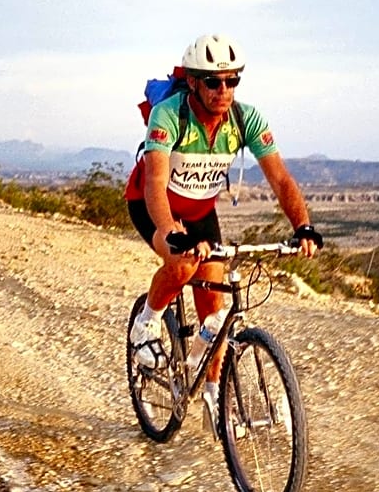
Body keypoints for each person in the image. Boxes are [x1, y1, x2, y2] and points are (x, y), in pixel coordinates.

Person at [125, 34, 322, 431]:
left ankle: (214, 391)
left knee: (215, 314)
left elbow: (281, 179)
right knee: (181, 265)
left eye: (232, 81)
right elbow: (154, 185)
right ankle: (146, 322)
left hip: (200, 211)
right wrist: (170, 231)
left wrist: (302, 225)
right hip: (155, 204)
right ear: (194, 82)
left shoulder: (244, 119)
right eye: (214, 82)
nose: (223, 91)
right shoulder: (169, 115)